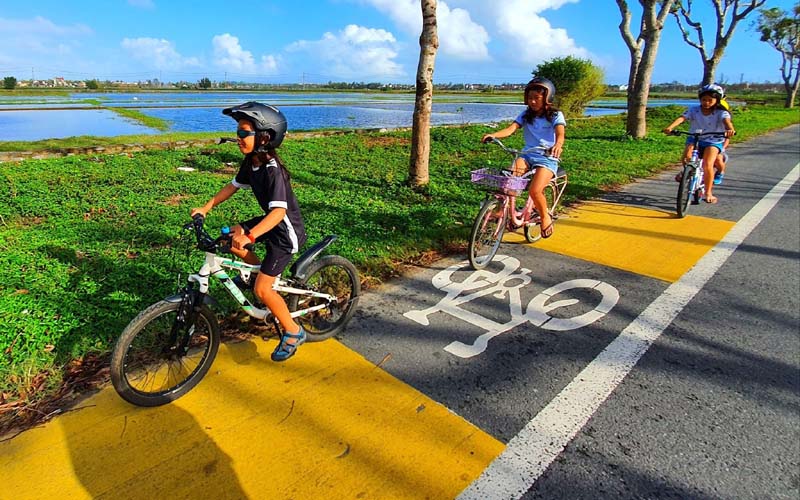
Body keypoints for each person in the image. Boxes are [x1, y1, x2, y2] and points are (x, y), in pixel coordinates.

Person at [191, 102, 308, 362]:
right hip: (270, 221)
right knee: (233, 240)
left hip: (284, 233)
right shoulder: (251, 162)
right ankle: (256, 275)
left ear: (264, 137)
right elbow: (232, 186)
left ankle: (293, 331)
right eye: (238, 132)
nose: (238, 138)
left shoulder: (272, 170)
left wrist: (251, 235)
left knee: (263, 291)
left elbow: (278, 214)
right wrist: (206, 207)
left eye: (244, 133)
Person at [481, 77, 565, 238]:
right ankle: (502, 211)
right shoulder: (526, 115)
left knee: (535, 190)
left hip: (547, 158)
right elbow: (511, 129)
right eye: (530, 98)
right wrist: (493, 135)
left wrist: (558, 145)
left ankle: (545, 216)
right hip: (527, 155)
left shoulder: (555, 115)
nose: (532, 102)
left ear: (547, 98)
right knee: (509, 181)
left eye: (537, 99)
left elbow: (560, 134)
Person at [663, 83, 735, 204]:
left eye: (710, 100)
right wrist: (670, 127)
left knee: (708, 164)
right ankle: (687, 171)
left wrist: (729, 129)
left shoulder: (721, 112)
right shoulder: (694, 110)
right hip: (695, 137)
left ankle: (708, 192)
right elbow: (682, 118)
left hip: (713, 140)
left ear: (717, 100)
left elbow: (727, 122)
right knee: (686, 157)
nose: (706, 103)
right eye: (703, 100)